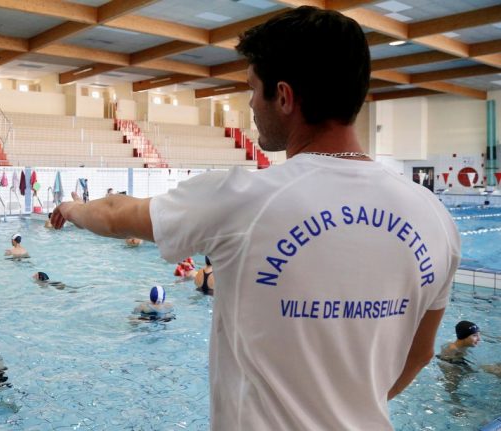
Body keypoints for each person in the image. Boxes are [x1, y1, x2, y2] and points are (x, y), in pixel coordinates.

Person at [50, 7, 460, 430]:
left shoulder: (240, 197)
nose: (248, 104)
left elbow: (118, 215)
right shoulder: (435, 217)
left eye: (251, 89)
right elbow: (421, 353)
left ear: (283, 97)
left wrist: (71, 208)